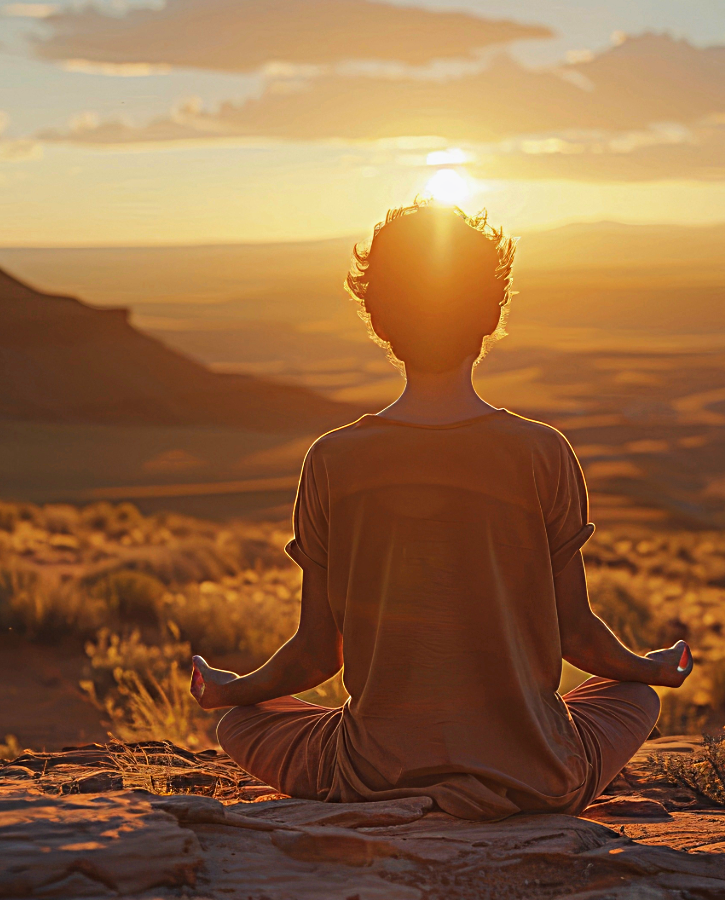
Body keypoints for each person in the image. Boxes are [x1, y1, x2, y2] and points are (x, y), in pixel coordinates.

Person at [189, 202, 693, 821]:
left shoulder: (331, 459)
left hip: (374, 776)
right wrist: (653, 667)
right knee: (635, 697)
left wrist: (227, 690)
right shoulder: (542, 452)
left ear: (380, 321)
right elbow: (577, 634)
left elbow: (317, 655)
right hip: (537, 777)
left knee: (243, 722)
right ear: (489, 316)